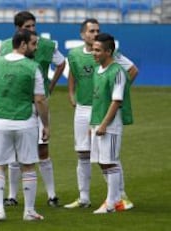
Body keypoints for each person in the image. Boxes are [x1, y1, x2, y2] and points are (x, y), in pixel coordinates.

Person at [65, 18, 137, 210]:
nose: (95, 34)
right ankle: (84, 197)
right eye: (91, 31)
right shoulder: (74, 55)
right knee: (84, 152)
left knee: (108, 155)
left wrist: (117, 91)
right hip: (84, 109)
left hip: (104, 109)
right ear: (82, 34)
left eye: (97, 30)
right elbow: (73, 73)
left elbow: (132, 70)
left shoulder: (111, 56)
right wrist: (71, 93)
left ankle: (120, 196)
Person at [0, 29, 49, 222]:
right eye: (33, 44)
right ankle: (29, 211)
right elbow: (40, 99)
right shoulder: (33, 67)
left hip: (0, 122)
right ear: (23, 44)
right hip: (26, 121)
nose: (36, 48)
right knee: (28, 165)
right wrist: (46, 124)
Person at [0, 11, 65, 207]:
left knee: (43, 149)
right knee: (14, 153)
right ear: (18, 29)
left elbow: (61, 64)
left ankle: (52, 195)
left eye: (33, 26)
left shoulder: (45, 45)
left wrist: (50, 87)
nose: (32, 30)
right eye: (28, 27)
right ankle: (12, 196)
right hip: (15, 104)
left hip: (38, 104)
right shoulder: (5, 46)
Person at [89, 33, 133, 213]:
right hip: (97, 122)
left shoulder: (117, 72)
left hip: (110, 125)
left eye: (98, 50)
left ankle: (112, 202)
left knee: (111, 162)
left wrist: (105, 124)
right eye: (93, 49)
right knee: (102, 161)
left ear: (109, 52)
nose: (94, 53)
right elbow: (98, 99)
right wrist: (92, 125)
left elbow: (116, 101)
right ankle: (116, 200)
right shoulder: (98, 70)